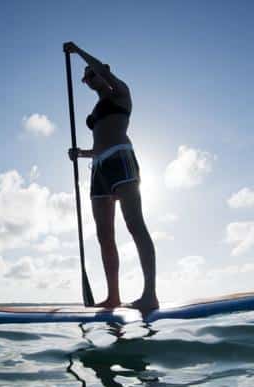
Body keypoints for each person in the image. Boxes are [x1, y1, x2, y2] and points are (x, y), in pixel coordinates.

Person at [65, 42, 159, 312]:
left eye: (90, 75)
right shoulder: (97, 106)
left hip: (121, 160)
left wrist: (78, 51)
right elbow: (98, 142)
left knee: (134, 224)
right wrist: (80, 153)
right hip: (98, 169)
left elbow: (100, 71)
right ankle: (113, 296)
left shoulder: (121, 92)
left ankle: (149, 294)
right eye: (84, 79)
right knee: (104, 235)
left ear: (103, 71)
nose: (87, 81)